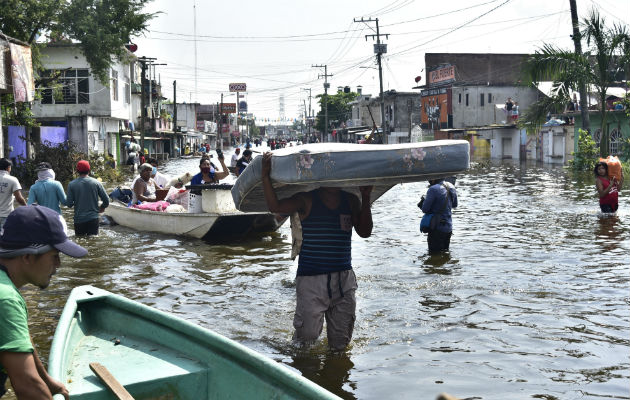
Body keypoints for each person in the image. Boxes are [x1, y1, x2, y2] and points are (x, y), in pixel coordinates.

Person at [261, 152, 373, 351]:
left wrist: (366, 196)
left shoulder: (351, 200)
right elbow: (275, 206)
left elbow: (365, 232)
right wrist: (265, 176)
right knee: (306, 340)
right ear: (321, 176)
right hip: (312, 280)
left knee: (341, 344)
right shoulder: (306, 200)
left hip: (344, 280)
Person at [0, 205, 87, 399]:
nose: (58, 266)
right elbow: (27, 385)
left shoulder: (3, 283)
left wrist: (46, 379)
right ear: (28, 256)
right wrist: (39, 383)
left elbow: (20, 338)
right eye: (55, 256)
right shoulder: (6, 298)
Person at [66, 160, 110, 235]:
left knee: (80, 243)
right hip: (93, 219)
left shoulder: (71, 184)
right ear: (89, 170)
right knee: (93, 242)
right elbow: (106, 200)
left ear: (77, 171)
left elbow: (69, 204)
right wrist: (102, 207)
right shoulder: (96, 183)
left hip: (79, 220)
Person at [420, 177, 458, 253]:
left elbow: (425, 209)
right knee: (445, 252)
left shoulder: (433, 189)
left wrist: (423, 202)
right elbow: (454, 205)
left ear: (433, 178)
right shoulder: (451, 186)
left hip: (437, 227)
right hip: (448, 227)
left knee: (434, 255)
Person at [0, 158, 27, 230]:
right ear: (8, 167)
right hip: (6, 215)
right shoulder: (12, 179)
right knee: (4, 238)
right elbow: (19, 198)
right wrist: (26, 206)